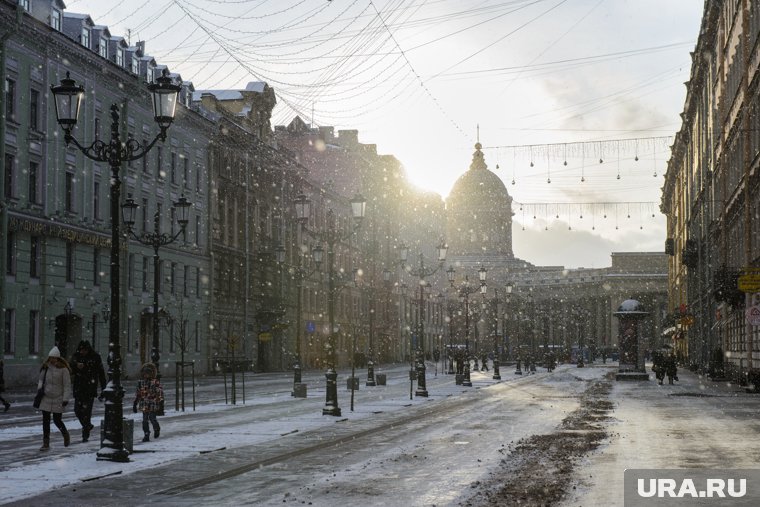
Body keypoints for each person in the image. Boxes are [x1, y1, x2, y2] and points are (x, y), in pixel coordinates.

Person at [70, 340, 107, 442]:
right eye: (81, 350)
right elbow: (70, 368)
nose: (82, 352)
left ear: (88, 350)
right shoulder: (76, 357)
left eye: (84, 350)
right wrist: (76, 365)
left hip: (90, 388)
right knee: (77, 410)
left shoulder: (95, 357)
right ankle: (87, 425)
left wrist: (103, 389)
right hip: (78, 388)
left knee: (87, 412)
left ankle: (85, 434)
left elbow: (101, 374)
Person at [37, 346, 72, 451]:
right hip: (46, 398)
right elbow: (40, 381)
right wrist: (39, 392)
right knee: (45, 421)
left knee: (57, 420)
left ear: (58, 358)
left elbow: (67, 385)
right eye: (51, 357)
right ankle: (46, 443)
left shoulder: (63, 369)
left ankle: (65, 434)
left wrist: (65, 398)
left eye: (54, 358)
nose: (52, 360)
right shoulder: (45, 367)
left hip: (58, 398)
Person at [133, 363, 164, 442]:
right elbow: (138, 393)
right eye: (145, 374)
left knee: (152, 418)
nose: (146, 375)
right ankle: (146, 434)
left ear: (151, 374)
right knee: (144, 420)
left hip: (152, 403)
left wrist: (159, 401)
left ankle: (156, 428)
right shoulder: (141, 382)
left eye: (148, 373)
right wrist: (135, 403)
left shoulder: (155, 382)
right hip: (144, 404)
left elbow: (159, 392)